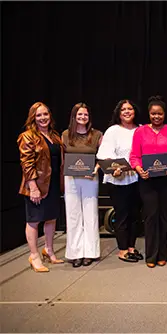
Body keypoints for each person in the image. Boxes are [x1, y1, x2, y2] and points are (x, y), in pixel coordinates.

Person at [130, 96, 167, 268]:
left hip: (166, 180)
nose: (156, 117)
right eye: (153, 114)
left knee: (163, 217)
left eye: (159, 114)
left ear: (164, 114)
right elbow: (134, 156)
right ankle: (151, 255)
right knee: (150, 216)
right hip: (147, 181)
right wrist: (139, 169)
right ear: (149, 114)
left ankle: (162, 254)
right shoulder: (140, 132)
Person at [18, 102, 65, 272]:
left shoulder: (54, 136)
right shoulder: (27, 136)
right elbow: (27, 164)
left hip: (52, 184)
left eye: (45, 114)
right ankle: (34, 256)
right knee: (34, 220)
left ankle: (49, 250)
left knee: (51, 218)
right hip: (36, 184)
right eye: (38, 115)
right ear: (33, 118)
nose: (43, 118)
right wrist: (33, 187)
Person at [96, 99, 143, 263]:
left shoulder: (141, 129)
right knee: (122, 215)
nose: (127, 111)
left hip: (137, 178)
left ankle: (131, 247)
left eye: (130, 108)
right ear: (119, 112)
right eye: (123, 109)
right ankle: (122, 250)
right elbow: (104, 154)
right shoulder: (112, 131)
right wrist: (113, 168)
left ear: (135, 111)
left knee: (135, 215)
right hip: (118, 180)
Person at [62, 103, 102, 268]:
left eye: (85, 115)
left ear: (89, 117)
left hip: (90, 178)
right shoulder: (65, 135)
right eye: (79, 115)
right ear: (74, 116)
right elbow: (63, 159)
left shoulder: (97, 134)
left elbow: (102, 157)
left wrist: (95, 169)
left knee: (90, 214)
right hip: (71, 179)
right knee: (73, 216)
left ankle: (90, 252)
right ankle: (75, 253)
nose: (82, 117)